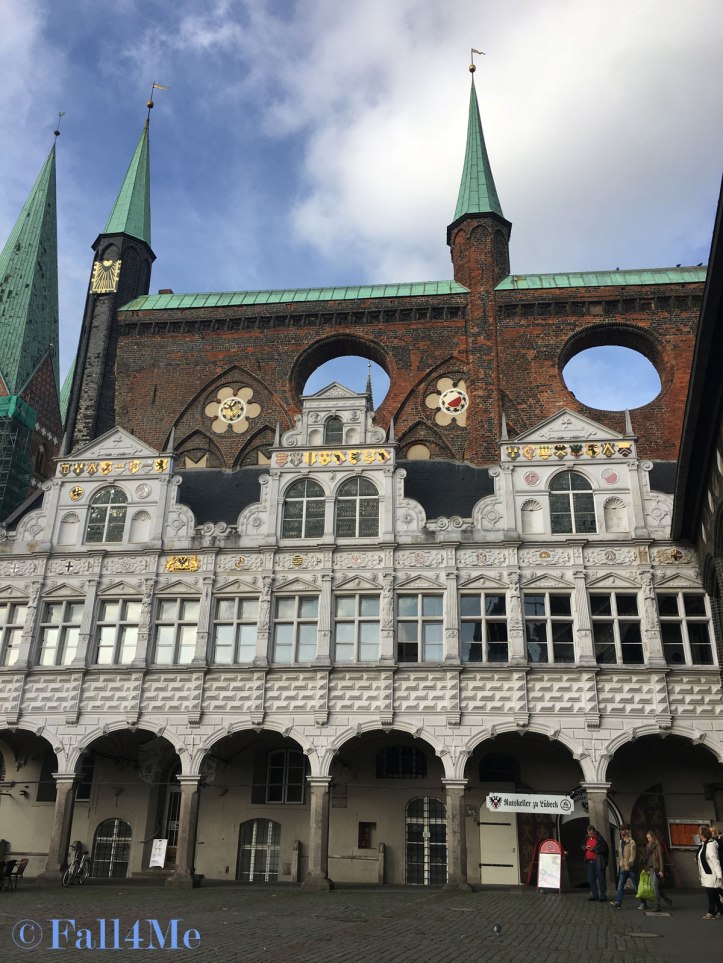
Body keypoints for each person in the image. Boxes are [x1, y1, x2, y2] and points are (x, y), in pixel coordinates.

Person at [639, 830, 673, 912]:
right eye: (647, 838)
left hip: (656, 868)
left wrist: (661, 870)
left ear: (653, 837)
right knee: (655, 886)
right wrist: (647, 869)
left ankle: (657, 905)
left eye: (649, 838)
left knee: (654, 886)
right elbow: (647, 859)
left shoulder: (658, 845)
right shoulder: (648, 846)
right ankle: (667, 899)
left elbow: (661, 858)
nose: (648, 839)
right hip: (650, 868)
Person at [610, 824, 640, 909]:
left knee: (637, 887)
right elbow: (621, 855)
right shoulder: (620, 841)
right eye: (620, 830)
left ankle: (643, 903)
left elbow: (633, 855)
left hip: (631, 868)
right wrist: (621, 865)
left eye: (622, 830)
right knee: (620, 886)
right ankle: (618, 902)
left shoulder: (631, 842)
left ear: (627, 831)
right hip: (623, 868)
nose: (620, 832)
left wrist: (629, 865)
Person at [697, 825, 723, 919]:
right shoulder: (704, 844)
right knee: (715, 895)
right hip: (707, 874)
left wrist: (720, 875)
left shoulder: (711, 845)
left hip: (712, 874)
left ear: (702, 834)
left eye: (699, 833)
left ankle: (711, 912)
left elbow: (716, 861)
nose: (698, 835)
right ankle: (719, 910)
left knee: (712, 894)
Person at [583, 825, 608, 902]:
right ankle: (595, 895)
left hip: (598, 862)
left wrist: (594, 849)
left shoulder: (599, 838)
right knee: (591, 879)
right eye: (589, 833)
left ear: (594, 832)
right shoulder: (587, 838)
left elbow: (604, 849)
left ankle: (603, 895)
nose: (590, 835)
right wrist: (585, 847)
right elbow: (581, 846)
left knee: (601, 879)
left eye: (591, 833)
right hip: (589, 862)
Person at [710, 826, 723, 912]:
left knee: (720, 888)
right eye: (711, 832)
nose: (712, 834)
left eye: (714, 832)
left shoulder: (718, 842)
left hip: (720, 867)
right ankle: (719, 909)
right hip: (715, 869)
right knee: (717, 890)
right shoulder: (709, 843)